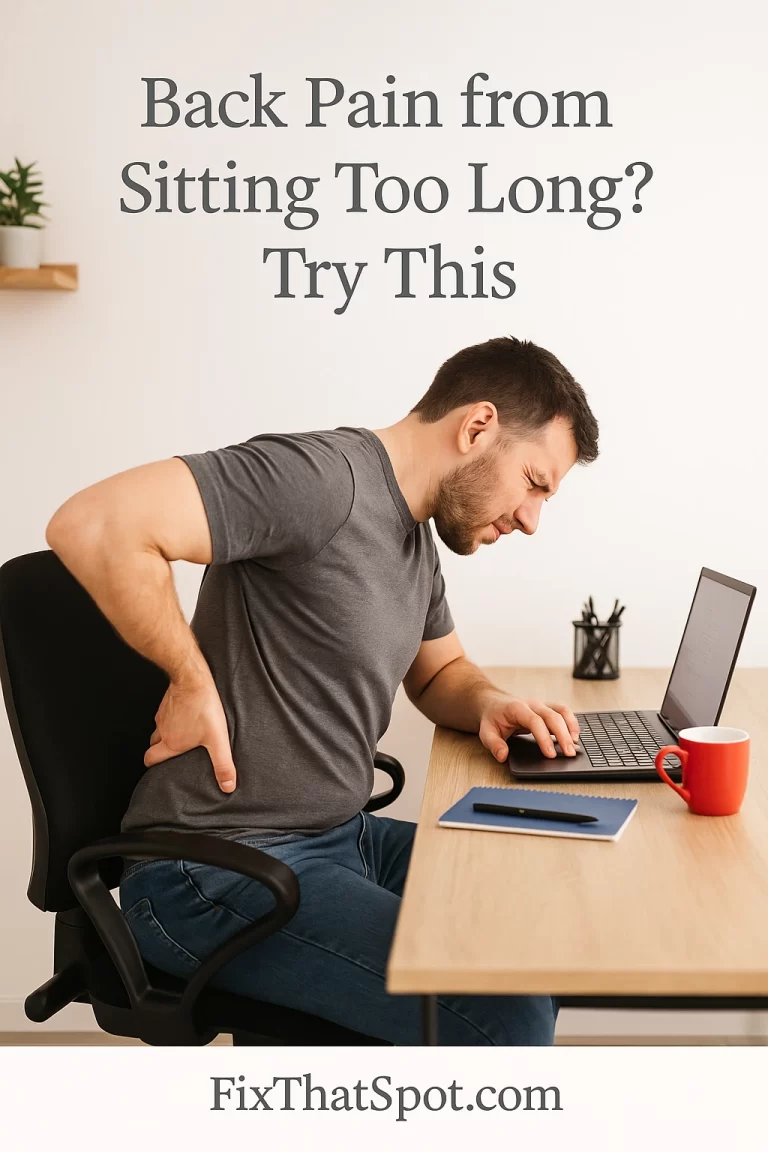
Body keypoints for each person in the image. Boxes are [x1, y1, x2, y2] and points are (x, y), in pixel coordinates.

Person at [46, 335, 599, 1045]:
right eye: (536, 482)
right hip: (210, 869)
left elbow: (438, 674)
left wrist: (491, 703)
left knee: (539, 920)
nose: (531, 518)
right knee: (504, 1015)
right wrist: (189, 676)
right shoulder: (319, 479)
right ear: (477, 427)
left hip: (339, 838)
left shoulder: (412, 537)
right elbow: (92, 523)